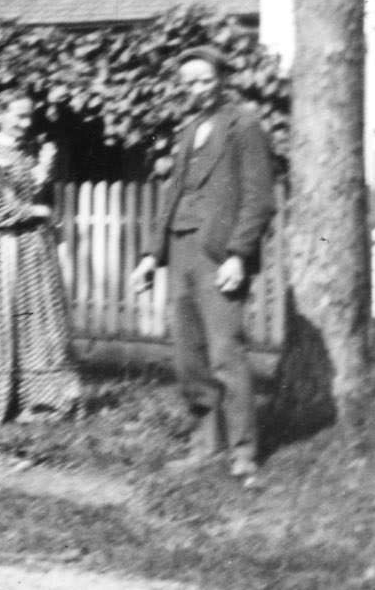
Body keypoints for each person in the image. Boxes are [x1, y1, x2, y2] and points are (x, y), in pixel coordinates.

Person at [132, 46, 276, 488]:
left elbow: (259, 198)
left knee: (225, 354)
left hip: (219, 255)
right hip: (180, 252)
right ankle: (204, 444)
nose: (197, 88)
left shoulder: (244, 125)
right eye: (189, 82)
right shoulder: (189, 128)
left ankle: (244, 454)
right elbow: (173, 196)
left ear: (221, 78)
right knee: (188, 356)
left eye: (204, 79)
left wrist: (238, 254)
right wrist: (150, 257)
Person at [0, 85, 82, 426]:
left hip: (35, 249)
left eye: (29, 116)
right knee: (1, 317)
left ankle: (41, 401)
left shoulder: (33, 152)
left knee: (38, 318)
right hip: (3, 248)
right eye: (19, 116)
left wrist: (44, 175)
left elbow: (46, 204)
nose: (26, 123)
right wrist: (38, 210)